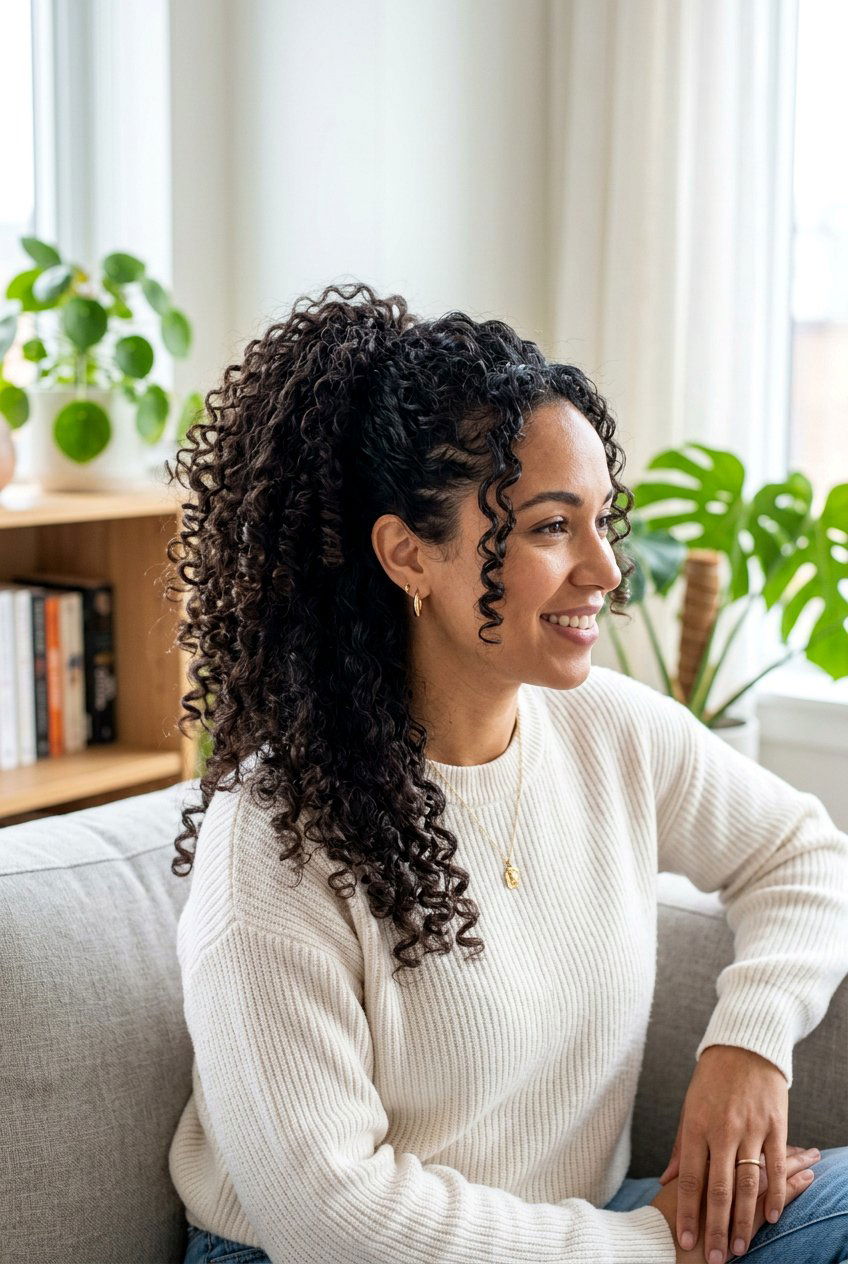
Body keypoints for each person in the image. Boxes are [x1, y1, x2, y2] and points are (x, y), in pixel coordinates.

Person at [164, 282, 848, 1263]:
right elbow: (331, 1217)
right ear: (407, 554)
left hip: (583, 1233)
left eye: (601, 519)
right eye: (550, 527)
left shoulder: (609, 728)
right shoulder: (275, 841)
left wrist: (748, 1044)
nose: (606, 571)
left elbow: (803, 852)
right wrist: (650, 1245)